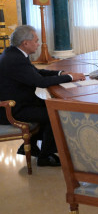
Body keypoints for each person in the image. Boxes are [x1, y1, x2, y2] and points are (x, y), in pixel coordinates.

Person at [0, 25, 85, 167]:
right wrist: (70, 77)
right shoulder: (15, 59)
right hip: (12, 109)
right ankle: (45, 156)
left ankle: (32, 145)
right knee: (55, 113)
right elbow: (40, 82)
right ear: (25, 43)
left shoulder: (14, 53)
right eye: (36, 41)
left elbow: (36, 73)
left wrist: (61, 74)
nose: (38, 44)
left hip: (22, 101)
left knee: (54, 105)